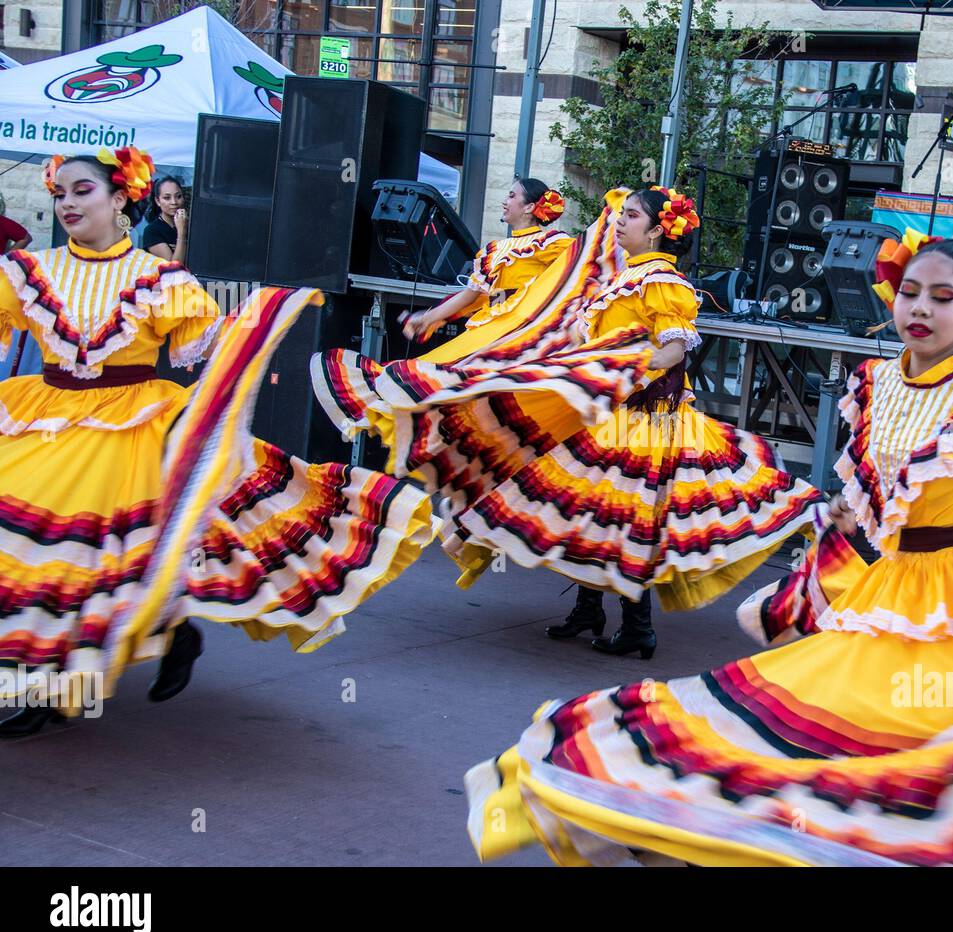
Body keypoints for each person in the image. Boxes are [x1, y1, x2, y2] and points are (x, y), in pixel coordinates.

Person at [459, 230, 953, 868]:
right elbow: (866, 512)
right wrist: (818, 570)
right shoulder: (872, 383)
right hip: (887, 596)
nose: (919, 308)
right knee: (791, 736)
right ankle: (673, 826)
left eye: (943, 297)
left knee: (939, 773)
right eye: (910, 292)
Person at [0, 147, 435, 737]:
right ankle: (103, 658)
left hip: (130, 424)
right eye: (60, 194)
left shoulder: (157, 277)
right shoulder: (29, 270)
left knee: (98, 553)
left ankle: (112, 659)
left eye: (82, 190)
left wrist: (265, 314)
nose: (68, 203)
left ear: (121, 198)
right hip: (43, 416)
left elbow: (210, 342)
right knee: (36, 550)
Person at [313, 186, 823, 658]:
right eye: (622, 215)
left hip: (644, 421)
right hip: (611, 411)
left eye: (632, 216)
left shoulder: (663, 281)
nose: (621, 222)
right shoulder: (626, 275)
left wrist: (626, 371)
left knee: (626, 516)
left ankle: (638, 626)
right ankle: (588, 608)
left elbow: (673, 349)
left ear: (657, 231)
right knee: (589, 508)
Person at [398, 178, 573, 365]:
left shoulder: (551, 242)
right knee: (440, 368)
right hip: (491, 324)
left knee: (466, 373)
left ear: (529, 207)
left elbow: (583, 264)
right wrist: (427, 317)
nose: (505, 201)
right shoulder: (494, 250)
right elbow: (469, 296)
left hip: (521, 327)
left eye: (512, 196)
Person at [140, 174, 188, 262]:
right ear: (158, 201)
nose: (174, 202)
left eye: (178, 196)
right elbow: (174, 269)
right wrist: (182, 233)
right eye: (167, 198)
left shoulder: (190, 225)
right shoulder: (152, 231)